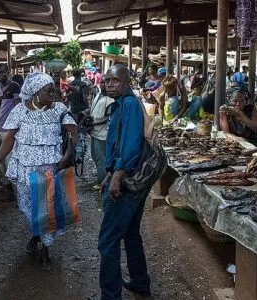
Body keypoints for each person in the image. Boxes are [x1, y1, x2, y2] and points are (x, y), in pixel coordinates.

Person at [0, 71, 77, 271]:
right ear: (35, 92)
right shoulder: (19, 111)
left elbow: (74, 132)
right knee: (31, 208)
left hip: (49, 170)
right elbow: (9, 140)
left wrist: (67, 156)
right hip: (25, 171)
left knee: (47, 209)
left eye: (53, 89)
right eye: (48, 90)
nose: (53, 93)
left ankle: (45, 251)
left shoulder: (58, 109)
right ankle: (36, 236)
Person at [98, 64, 151, 299]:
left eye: (115, 80)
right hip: (125, 175)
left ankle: (110, 296)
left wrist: (117, 177)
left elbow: (130, 146)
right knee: (130, 233)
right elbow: (118, 143)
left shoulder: (129, 104)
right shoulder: (120, 104)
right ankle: (140, 282)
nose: (110, 84)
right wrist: (110, 172)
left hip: (128, 179)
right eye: (107, 80)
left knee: (108, 241)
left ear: (127, 81)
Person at [0, 63, 22, 184]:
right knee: (1, 161)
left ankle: (13, 188)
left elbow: (18, 107)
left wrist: (17, 128)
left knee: (9, 160)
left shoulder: (15, 87)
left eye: (2, 72)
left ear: (8, 72)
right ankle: (6, 185)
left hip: (9, 130)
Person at [89, 82, 114, 188]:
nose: (104, 85)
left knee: (101, 159)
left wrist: (93, 123)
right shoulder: (99, 95)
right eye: (102, 83)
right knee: (95, 156)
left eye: (106, 83)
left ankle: (103, 183)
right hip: (95, 133)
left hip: (102, 134)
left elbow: (107, 118)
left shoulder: (110, 100)